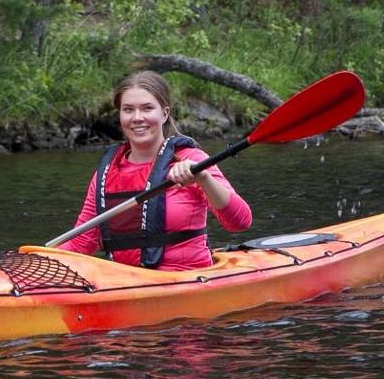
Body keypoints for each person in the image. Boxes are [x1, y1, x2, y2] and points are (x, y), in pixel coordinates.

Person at [56, 70, 252, 271]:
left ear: (164, 113)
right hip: (126, 281)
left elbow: (240, 222)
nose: (137, 117)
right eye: (128, 110)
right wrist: (35, 260)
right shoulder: (106, 174)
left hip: (187, 279)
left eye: (147, 108)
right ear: (120, 115)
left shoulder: (191, 160)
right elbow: (80, 243)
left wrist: (203, 178)